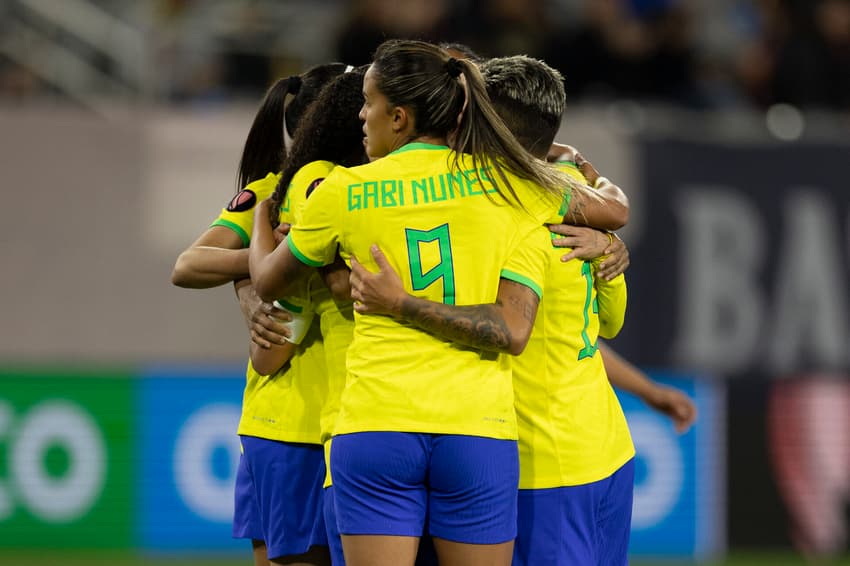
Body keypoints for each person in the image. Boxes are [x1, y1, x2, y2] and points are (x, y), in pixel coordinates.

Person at [249, 40, 627, 566]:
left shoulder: (341, 190)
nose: (361, 115)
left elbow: (268, 282)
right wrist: (608, 237)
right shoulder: (511, 185)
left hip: (376, 423)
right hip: (477, 431)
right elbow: (610, 211)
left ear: (398, 116)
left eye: (368, 102)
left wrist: (260, 221)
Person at [346, 54, 657, 566]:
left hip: (537, 462)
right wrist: (610, 245)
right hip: (605, 450)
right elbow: (611, 321)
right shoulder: (561, 199)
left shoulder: (498, 204)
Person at [171, 62, 352, 566]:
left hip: (352, 422)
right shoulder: (271, 193)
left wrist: (266, 268)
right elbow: (187, 264)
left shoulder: (363, 189)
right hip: (291, 424)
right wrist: (267, 262)